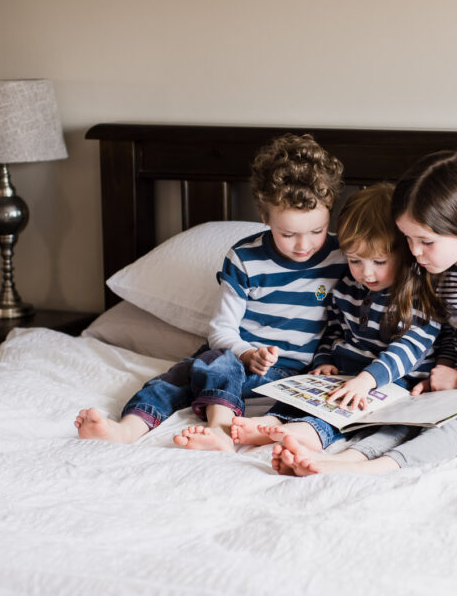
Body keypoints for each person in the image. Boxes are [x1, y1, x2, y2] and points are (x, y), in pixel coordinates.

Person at [274, 149, 457, 475]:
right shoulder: (445, 268)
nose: (414, 252)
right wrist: (442, 372)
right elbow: (456, 333)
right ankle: (350, 458)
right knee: (406, 414)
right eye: (408, 239)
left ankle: (377, 469)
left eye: (424, 241)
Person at [74, 133, 347, 448]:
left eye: (317, 230)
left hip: (296, 376)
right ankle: (127, 429)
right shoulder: (245, 258)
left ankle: (223, 430)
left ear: (329, 212)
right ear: (264, 218)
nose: (304, 245)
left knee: (305, 397)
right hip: (236, 364)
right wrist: (247, 353)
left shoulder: (342, 257)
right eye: (288, 234)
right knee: (179, 376)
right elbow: (221, 329)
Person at [179, 183, 441, 453]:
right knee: (309, 396)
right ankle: (270, 423)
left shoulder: (418, 298)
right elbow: (334, 330)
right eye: (355, 261)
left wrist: (367, 379)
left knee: (344, 410)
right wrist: (324, 360)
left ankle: (306, 433)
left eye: (379, 262)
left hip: (391, 380)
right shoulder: (348, 289)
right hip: (346, 374)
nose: (366, 273)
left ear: (405, 252)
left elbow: (409, 348)